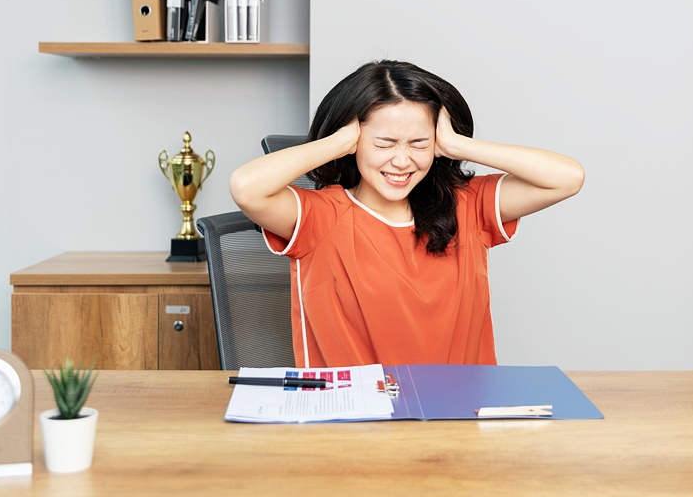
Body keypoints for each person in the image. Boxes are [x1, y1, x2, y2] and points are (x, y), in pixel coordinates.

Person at [229, 60, 584, 367]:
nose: (402, 160)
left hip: (458, 413)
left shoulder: (467, 204)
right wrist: (337, 141)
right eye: (384, 144)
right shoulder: (319, 216)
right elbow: (246, 187)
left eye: (419, 144)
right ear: (354, 142)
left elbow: (567, 178)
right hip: (353, 416)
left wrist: (458, 145)